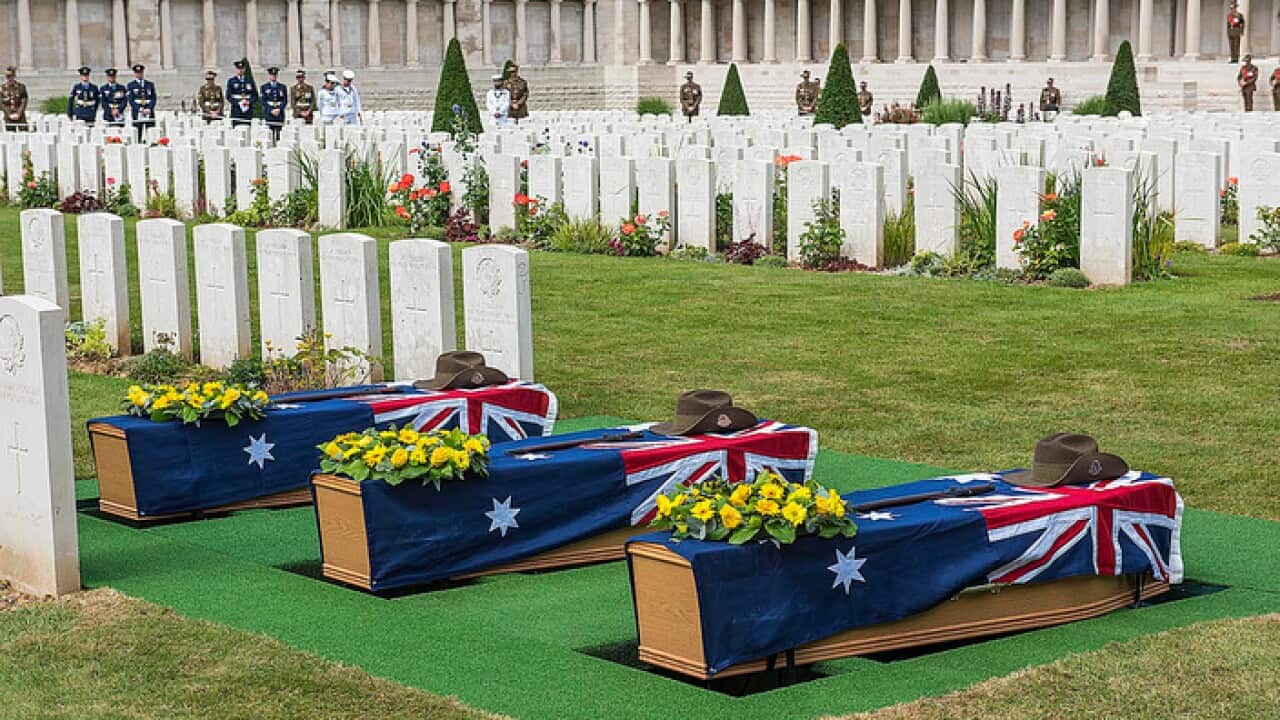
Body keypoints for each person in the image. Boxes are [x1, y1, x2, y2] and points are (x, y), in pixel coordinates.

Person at [126, 64, 157, 142]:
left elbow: (153, 98)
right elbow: (131, 100)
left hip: (148, 112)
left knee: (150, 133)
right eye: (137, 72)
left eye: (140, 72)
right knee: (137, 135)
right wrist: (140, 109)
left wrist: (149, 108)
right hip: (137, 112)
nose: (139, 74)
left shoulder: (150, 85)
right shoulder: (131, 85)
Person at [227, 59, 257, 127]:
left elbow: (255, 95)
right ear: (236, 69)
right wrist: (238, 103)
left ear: (244, 69)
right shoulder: (231, 81)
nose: (240, 70)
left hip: (247, 111)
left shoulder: (249, 80)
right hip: (236, 110)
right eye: (238, 68)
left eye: (242, 68)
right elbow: (228, 96)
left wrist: (249, 102)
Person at [260, 67, 288, 140]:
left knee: (279, 135)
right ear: (269, 76)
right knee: (270, 135)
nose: (273, 76)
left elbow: (284, 100)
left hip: (279, 114)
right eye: (272, 75)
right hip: (269, 114)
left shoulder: (282, 87)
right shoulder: (264, 87)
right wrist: (271, 110)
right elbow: (263, 101)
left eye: (275, 75)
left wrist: (279, 109)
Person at [1, 65, 29, 131]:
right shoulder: (2, 88)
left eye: (10, 76)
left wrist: (19, 113)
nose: (8, 78)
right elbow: (1, 103)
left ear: (14, 76)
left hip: (20, 115)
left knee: (23, 133)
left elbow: (24, 101)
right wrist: (9, 114)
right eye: (6, 76)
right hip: (8, 116)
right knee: (10, 135)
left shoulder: (21, 87)